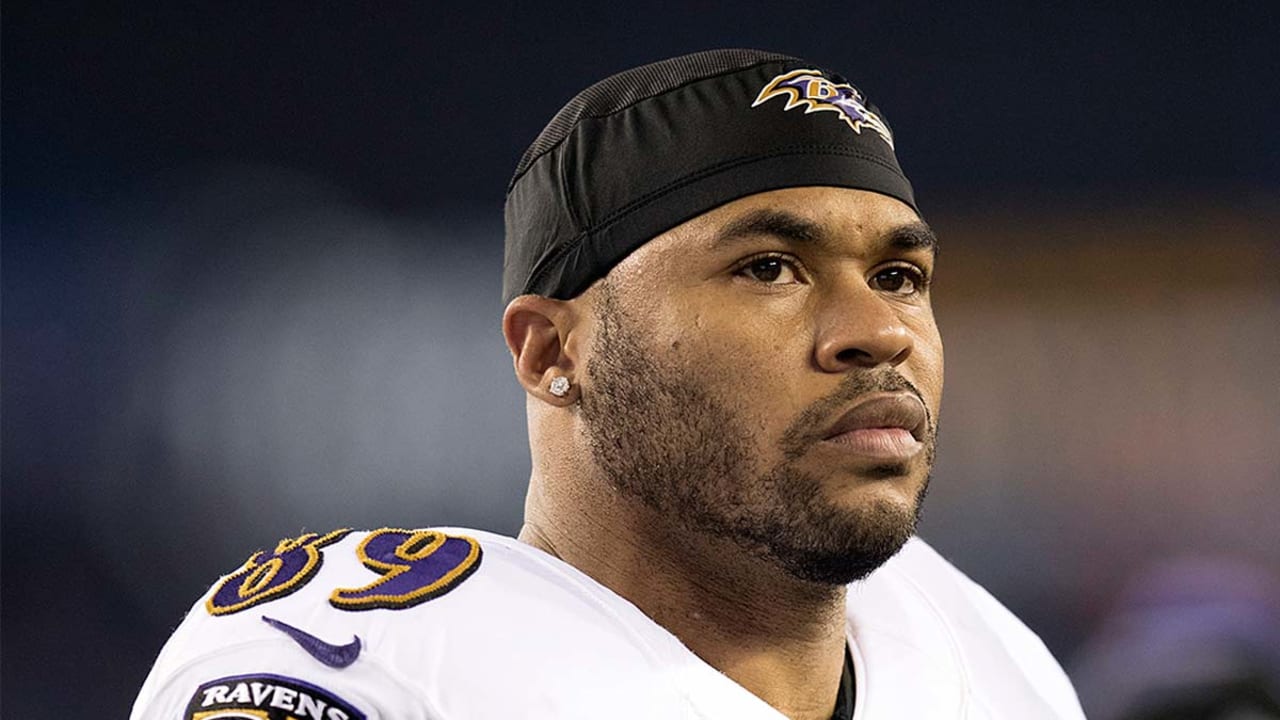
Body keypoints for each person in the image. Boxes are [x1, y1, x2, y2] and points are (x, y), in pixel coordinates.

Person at [131, 49, 1085, 719]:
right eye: (767, 269)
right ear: (552, 353)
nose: (878, 333)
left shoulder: (982, 658)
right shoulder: (370, 662)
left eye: (898, 278)